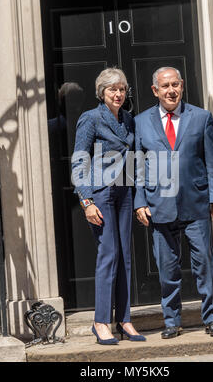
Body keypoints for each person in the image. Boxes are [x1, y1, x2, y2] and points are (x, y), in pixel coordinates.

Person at [134, 66, 213, 338]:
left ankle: (212, 318)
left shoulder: (201, 118)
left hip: (196, 203)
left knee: (205, 265)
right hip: (159, 205)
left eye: (175, 85)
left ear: (182, 86)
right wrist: (140, 201)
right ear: (155, 90)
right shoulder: (141, 122)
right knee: (167, 268)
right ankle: (172, 321)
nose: (171, 91)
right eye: (165, 86)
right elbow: (137, 167)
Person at [71, 68, 146, 345]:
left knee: (125, 255)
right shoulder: (90, 119)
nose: (118, 94)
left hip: (124, 192)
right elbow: (79, 161)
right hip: (101, 194)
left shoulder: (128, 120)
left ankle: (124, 320)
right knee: (109, 254)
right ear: (102, 92)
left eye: (122, 89)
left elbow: (135, 158)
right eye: (112, 89)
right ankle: (100, 321)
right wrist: (86, 201)